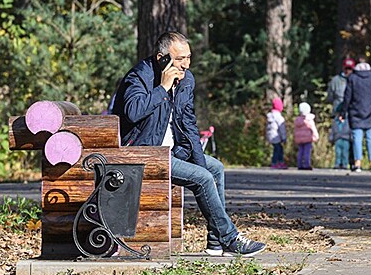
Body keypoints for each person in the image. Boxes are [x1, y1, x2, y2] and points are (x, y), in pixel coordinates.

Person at [112, 31, 266, 257]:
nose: (185, 64)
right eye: (179, 59)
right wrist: (162, 88)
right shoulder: (139, 76)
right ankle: (230, 238)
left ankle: (215, 242)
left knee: (214, 169)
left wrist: (199, 160)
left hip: (173, 152)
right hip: (144, 153)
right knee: (203, 179)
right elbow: (132, 112)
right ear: (161, 58)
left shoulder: (187, 80)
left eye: (188, 57)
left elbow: (189, 123)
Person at [341, 61, 371, 173]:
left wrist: (343, 112)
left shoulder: (352, 78)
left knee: (357, 138)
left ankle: (357, 164)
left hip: (356, 112)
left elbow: (347, 97)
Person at [293, 102, 319, 170]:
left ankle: (300, 164)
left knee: (300, 151)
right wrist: (316, 136)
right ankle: (306, 164)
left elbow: (295, 130)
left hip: (299, 139)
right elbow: (313, 128)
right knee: (307, 152)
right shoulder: (309, 120)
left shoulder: (297, 120)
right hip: (308, 138)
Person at [266, 97, 287, 169]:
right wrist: (284, 137)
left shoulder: (270, 116)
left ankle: (279, 162)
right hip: (276, 136)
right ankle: (276, 162)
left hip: (271, 135)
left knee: (278, 148)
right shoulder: (279, 117)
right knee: (278, 149)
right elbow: (282, 128)